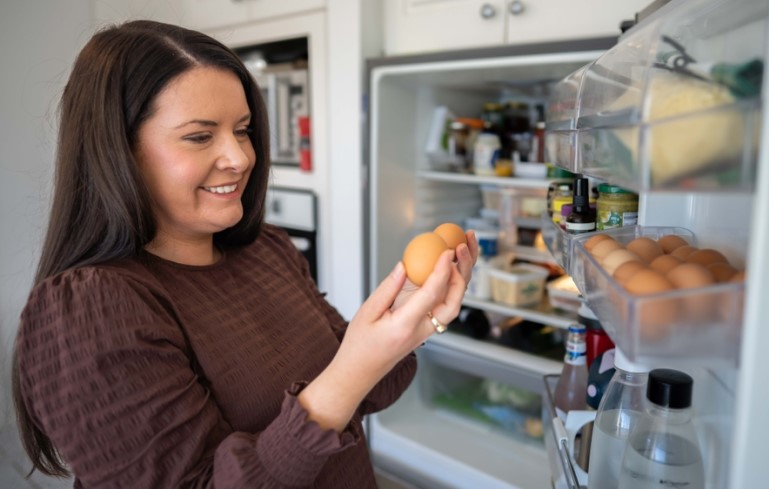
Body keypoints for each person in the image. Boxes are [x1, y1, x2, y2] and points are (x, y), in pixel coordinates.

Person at [12, 20, 478, 489]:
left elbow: (368, 392)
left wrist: (407, 320)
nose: (240, 158)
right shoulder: (85, 312)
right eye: (199, 136)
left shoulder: (265, 249)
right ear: (117, 150)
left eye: (243, 129)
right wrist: (352, 370)